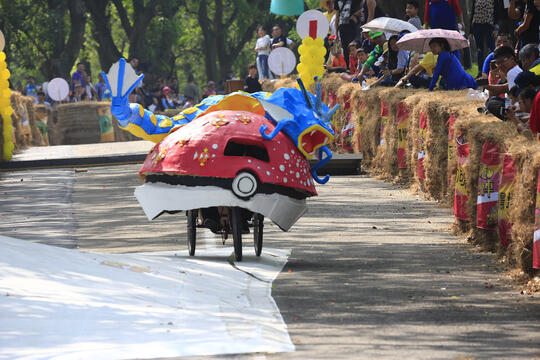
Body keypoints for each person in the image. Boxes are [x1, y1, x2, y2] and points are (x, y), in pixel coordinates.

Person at [470, 0, 503, 76]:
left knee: (491, 49)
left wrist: (496, 28)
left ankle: (493, 71)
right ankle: (480, 71)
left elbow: (497, 14)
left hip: (489, 26)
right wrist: (471, 31)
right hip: (477, 26)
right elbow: (473, 13)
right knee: (479, 50)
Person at [334, 0, 363, 68]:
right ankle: (349, 68)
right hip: (342, 27)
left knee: (355, 46)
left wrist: (355, 15)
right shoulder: (337, 1)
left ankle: (359, 67)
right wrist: (336, 33)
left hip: (353, 26)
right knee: (345, 48)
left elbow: (363, 7)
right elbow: (337, 16)